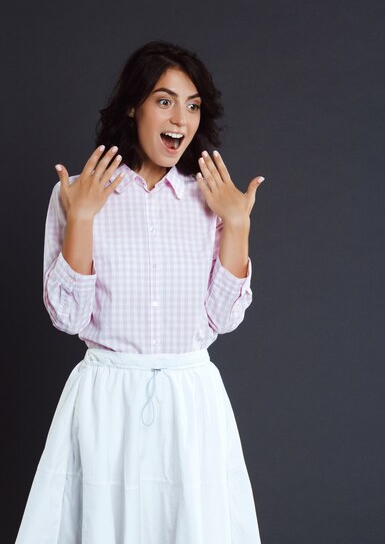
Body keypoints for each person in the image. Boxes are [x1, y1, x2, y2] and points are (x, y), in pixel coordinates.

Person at [15, 40, 264, 543]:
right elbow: (69, 316)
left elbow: (224, 318)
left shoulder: (212, 198)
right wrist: (82, 215)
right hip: (107, 399)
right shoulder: (81, 192)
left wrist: (236, 225)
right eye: (164, 100)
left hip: (190, 404)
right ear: (134, 106)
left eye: (192, 105)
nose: (180, 118)